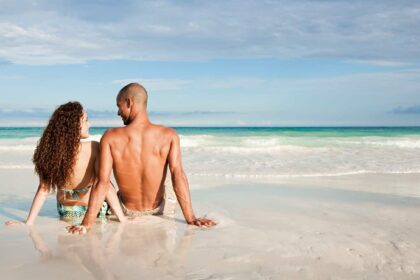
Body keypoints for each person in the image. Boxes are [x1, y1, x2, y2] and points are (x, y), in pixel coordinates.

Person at [68, 83, 216, 234]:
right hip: (162, 208)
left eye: (119, 106)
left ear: (129, 103)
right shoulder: (169, 135)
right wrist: (191, 218)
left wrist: (86, 224)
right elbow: (178, 175)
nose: (118, 112)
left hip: (126, 210)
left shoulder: (110, 137)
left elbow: (102, 182)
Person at [5, 102, 125, 227]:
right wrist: (123, 219)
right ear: (75, 125)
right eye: (86, 120)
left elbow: (43, 189)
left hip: (65, 212)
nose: (89, 124)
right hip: (93, 212)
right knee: (105, 182)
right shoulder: (93, 147)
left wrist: (28, 222)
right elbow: (105, 187)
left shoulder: (51, 152)